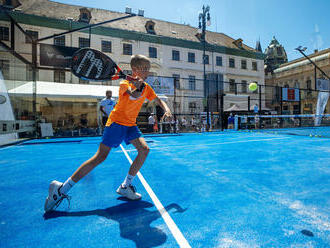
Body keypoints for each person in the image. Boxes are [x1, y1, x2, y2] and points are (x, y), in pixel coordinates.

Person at [44, 54, 172, 212]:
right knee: (100, 157)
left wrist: (166, 108)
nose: (147, 71)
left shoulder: (146, 86)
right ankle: (61, 189)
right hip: (116, 123)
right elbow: (134, 96)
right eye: (143, 68)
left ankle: (125, 186)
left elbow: (158, 99)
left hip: (130, 125)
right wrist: (137, 87)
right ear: (134, 70)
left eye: (148, 68)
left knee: (144, 150)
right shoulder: (125, 83)